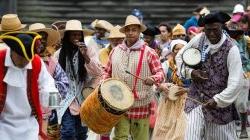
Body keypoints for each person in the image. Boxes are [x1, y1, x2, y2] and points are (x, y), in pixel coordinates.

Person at [176, 11, 243, 140]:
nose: (211, 33)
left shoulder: (231, 49)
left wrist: (218, 100)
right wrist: (191, 73)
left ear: (222, 27)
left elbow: (236, 83)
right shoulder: (199, 39)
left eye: (215, 29)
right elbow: (180, 57)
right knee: (190, 136)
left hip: (220, 106)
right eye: (208, 30)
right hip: (196, 100)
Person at [103, 15, 164, 140]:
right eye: (128, 30)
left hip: (140, 103)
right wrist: (103, 86)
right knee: (120, 137)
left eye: (134, 30)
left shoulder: (149, 52)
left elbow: (160, 73)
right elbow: (107, 73)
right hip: (119, 104)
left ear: (139, 32)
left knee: (140, 138)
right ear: (124, 32)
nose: (130, 33)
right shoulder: (115, 51)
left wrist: (153, 79)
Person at [0, 31, 58, 140]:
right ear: (12, 51)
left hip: (29, 125)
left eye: (28, 58)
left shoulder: (36, 62)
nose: (25, 61)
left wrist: (53, 104)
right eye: (21, 57)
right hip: (2, 125)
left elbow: (48, 85)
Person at [57, 19, 102, 140]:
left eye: (78, 34)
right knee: (67, 132)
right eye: (73, 34)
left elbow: (98, 73)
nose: (76, 37)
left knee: (81, 133)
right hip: (65, 98)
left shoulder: (89, 50)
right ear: (67, 36)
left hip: (83, 97)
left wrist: (85, 56)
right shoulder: (59, 54)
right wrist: (51, 105)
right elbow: (53, 79)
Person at [29, 23, 69, 139]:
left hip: (47, 115)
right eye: (38, 38)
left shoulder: (52, 61)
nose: (41, 42)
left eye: (44, 39)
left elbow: (64, 84)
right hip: (25, 113)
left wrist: (50, 106)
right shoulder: (23, 59)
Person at [227, 21, 250, 139]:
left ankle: (243, 129)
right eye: (231, 32)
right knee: (227, 103)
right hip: (227, 75)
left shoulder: (246, 41)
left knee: (241, 103)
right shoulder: (224, 41)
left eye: (235, 32)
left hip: (244, 74)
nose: (232, 34)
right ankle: (229, 130)